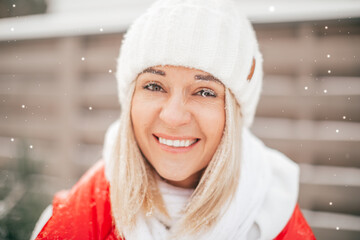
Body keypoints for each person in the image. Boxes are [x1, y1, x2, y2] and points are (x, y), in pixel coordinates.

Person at [33, 0, 316, 239]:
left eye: (204, 92)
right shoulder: (81, 214)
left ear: (234, 113)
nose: (173, 116)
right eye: (154, 86)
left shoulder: (276, 219)